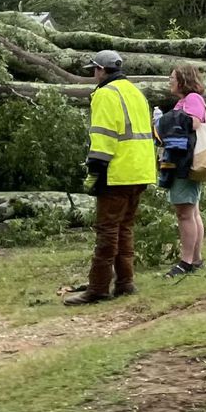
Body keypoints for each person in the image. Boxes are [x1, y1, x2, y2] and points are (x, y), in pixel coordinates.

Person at [62, 49, 156, 305]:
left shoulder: (104, 94)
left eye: (94, 70)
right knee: (125, 229)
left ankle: (98, 288)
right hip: (141, 170)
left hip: (117, 171)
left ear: (101, 70)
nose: (93, 74)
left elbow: (103, 136)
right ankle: (125, 283)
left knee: (107, 231)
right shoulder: (135, 92)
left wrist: (95, 170)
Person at [162, 64, 206, 278]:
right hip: (183, 161)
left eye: (173, 78)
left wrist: (165, 120)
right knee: (192, 212)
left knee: (184, 214)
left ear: (183, 80)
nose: (170, 81)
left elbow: (195, 123)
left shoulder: (192, 99)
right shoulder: (183, 101)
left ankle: (186, 261)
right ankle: (196, 259)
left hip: (185, 163)